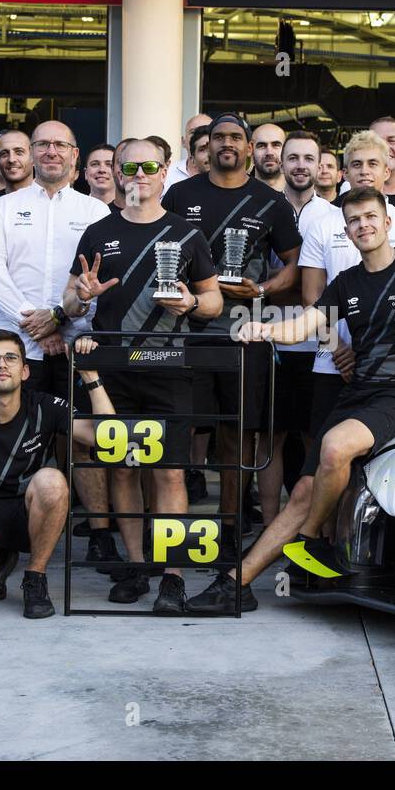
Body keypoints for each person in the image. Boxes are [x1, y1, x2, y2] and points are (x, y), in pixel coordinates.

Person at [187, 186, 395, 612]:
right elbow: (305, 325)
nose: (364, 225)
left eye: (371, 217)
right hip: (355, 395)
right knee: (304, 491)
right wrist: (263, 328)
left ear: (388, 222)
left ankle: (312, 542)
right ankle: (236, 585)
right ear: (347, 230)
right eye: (355, 221)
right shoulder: (346, 283)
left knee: (335, 448)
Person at [64, 138, 223, 611]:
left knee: (171, 472)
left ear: (164, 170)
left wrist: (192, 303)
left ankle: (172, 575)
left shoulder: (186, 233)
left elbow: (213, 302)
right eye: (128, 166)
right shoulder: (96, 232)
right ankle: (136, 566)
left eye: (148, 165)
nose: (138, 174)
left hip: (169, 368)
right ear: (115, 171)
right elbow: (71, 302)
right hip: (113, 371)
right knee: (123, 468)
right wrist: (83, 296)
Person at [162, 113, 302, 542]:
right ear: (205, 146)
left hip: (245, 334)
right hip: (185, 332)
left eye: (235, 138)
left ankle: (228, 523)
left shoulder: (270, 201)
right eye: (218, 137)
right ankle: (173, 529)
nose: (226, 143)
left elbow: (293, 267)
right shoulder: (180, 194)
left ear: (248, 148)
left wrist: (259, 289)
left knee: (237, 430)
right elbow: (160, 250)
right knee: (179, 429)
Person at [0, 121, 114, 562]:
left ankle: (100, 534)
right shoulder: (3, 207)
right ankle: (11, 539)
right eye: (43, 144)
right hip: (19, 345)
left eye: (60, 145)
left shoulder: (96, 213)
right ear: (31, 153)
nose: (51, 151)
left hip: (79, 344)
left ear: (76, 156)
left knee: (83, 439)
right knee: (16, 439)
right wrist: (36, 323)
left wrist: (60, 321)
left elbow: (98, 282)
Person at [0, 331, 116, 619]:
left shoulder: (45, 405)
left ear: (25, 370)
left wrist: (90, 375)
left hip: (33, 511)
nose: (1, 365)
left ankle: (35, 578)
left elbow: (105, 437)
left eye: (10, 358)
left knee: (52, 481)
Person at [299, 130, 395, 447]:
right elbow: (311, 297)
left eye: (373, 163)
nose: (365, 170)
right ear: (345, 172)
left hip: (392, 372)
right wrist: (338, 349)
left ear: (388, 170)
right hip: (333, 361)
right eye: (356, 164)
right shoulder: (322, 225)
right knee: (323, 449)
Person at [259, 130, 339, 526]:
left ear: (322, 165)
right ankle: (271, 526)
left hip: (320, 344)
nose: (301, 165)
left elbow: (327, 288)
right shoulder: (261, 207)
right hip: (268, 338)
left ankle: (313, 529)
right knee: (269, 439)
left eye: (309, 158)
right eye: (293, 158)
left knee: (314, 439)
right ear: (282, 163)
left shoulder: (334, 216)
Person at [162, 112, 213, 195]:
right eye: (193, 132)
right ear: (183, 141)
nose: (200, 136)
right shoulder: (167, 173)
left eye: (207, 131)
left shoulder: (230, 177)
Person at [0, 129, 34, 197]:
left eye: (19, 153)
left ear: (33, 156)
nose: (11, 160)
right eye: (4, 154)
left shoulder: (51, 201)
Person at [251, 123, 286, 192]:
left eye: (276, 145)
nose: (269, 152)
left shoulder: (305, 194)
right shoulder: (237, 196)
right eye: (261, 146)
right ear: (251, 152)